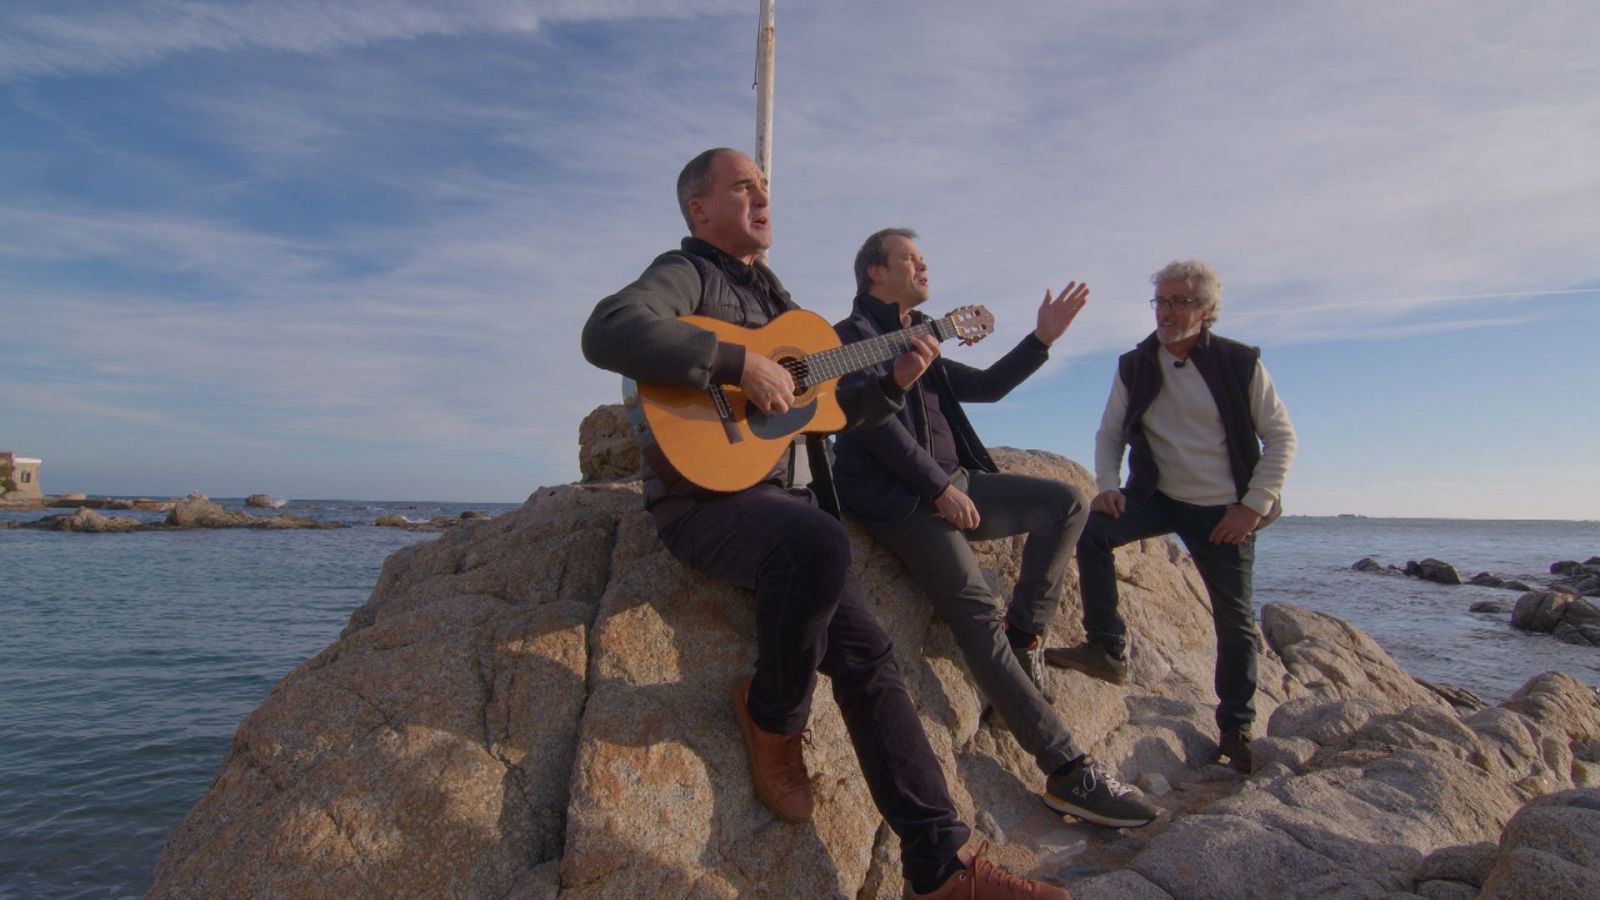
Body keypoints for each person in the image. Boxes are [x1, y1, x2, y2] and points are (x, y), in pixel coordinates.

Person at [582, 149, 1068, 899]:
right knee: (818, 539)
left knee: (872, 660)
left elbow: (834, 412)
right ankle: (772, 714)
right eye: (742, 187)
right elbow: (609, 328)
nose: (761, 196)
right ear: (699, 210)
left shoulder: (787, 307)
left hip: (789, 507)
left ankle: (941, 866)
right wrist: (735, 362)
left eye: (766, 186)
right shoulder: (688, 275)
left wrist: (896, 383)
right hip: (704, 501)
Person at [831, 228, 1159, 829]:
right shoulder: (849, 339)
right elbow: (873, 428)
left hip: (955, 483)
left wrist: (1041, 340)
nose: (924, 264)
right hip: (899, 499)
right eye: (911, 257)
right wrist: (938, 488)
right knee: (976, 614)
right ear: (876, 273)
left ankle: (1027, 634)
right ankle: (1068, 773)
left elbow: (985, 387)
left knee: (1065, 502)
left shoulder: (919, 334)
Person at [1045, 259, 1297, 773]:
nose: (1166, 311)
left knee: (1235, 621)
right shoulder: (1135, 364)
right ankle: (1106, 648)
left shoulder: (1239, 362)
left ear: (1206, 310)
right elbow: (1109, 433)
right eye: (1160, 300)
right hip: (1157, 495)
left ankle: (1237, 728)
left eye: (1179, 301)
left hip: (1225, 509)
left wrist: (1252, 506)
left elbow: (1281, 437)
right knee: (1090, 532)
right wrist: (1108, 487)